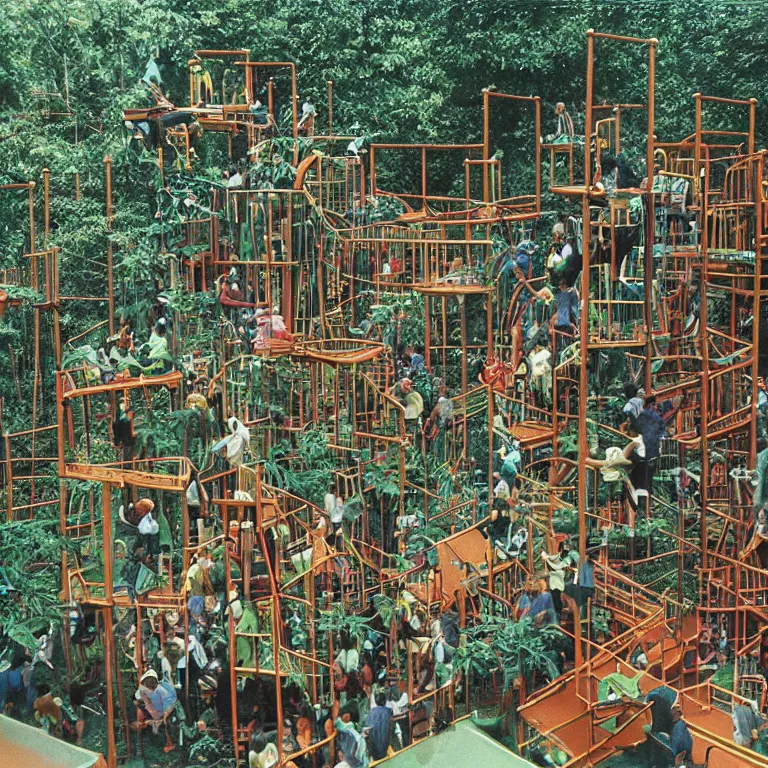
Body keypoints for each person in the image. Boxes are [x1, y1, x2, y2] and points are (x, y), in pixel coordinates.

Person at [135, 668, 177, 735]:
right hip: (165, 710)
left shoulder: (158, 693)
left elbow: (158, 714)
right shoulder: (159, 688)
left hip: (168, 711)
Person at [542, 546, 568, 618]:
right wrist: (546, 556)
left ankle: (558, 615)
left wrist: (547, 560)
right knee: (553, 601)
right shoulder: (559, 556)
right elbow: (552, 558)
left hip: (558, 587)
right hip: (553, 587)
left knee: (557, 602)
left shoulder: (563, 566)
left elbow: (555, 567)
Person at [365, 692, 392, 760]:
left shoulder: (371, 712)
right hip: (383, 743)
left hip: (372, 744)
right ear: (385, 701)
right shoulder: (387, 711)